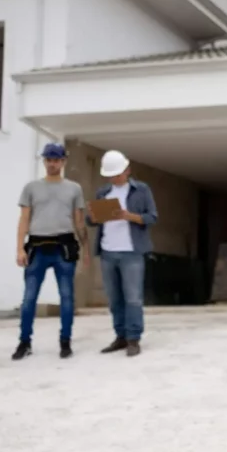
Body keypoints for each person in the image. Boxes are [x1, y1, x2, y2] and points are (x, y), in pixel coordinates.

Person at [12, 143, 90, 360]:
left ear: (63, 162)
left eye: (56, 160)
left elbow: (79, 222)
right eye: (48, 159)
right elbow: (24, 219)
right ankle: (24, 342)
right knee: (29, 299)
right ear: (44, 161)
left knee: (67, 297)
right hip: (36, 247)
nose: (52, 163)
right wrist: (19, 248)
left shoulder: (74, 188)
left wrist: (85, 250)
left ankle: (65, 342)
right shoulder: (31, 188)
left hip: (64, 247)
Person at [87, 150, 158, 358]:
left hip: (132, 252)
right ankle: (120, 337)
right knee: (114, 299)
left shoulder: (142, 190)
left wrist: (129, 216)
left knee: (133, 298)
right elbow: (91, 222)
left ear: (127, 170)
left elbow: (152, 217)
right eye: (111, 175)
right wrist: (93, 216)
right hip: (108, 252)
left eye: (117, 173)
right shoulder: (103, 192)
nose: (114, 178)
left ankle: (133, 338)